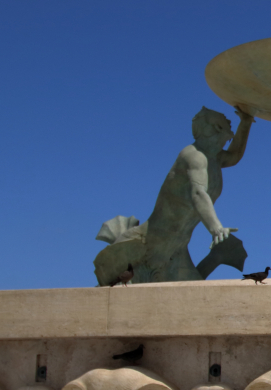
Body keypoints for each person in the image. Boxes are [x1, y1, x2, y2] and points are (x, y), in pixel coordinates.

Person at [94, 106, 254, 284]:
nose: (228, 119)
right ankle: (218, 256)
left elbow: (235, 155)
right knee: (115, 298)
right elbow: (198, 193)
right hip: (145, 246)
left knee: (194, 298)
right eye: (224, 118)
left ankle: (217, 257)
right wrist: (216, 227)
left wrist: (246, 123)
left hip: (176, 251)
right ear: (215, 128)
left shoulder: (214, 158)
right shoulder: (194, 156)